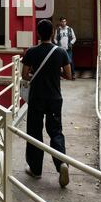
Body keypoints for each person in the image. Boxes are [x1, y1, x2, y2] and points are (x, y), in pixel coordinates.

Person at [22, 19, 71, 187]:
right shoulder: (61, 52)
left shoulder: (31, 52)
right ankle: (61, 164)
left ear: (38, 33)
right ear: (52, 34)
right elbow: (68, 75)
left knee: (34, 132)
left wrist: (36, 74)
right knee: (56, 131)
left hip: (36, 98)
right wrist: (56, 71)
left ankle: (35, 169)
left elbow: (25, 75)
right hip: (54, 98)